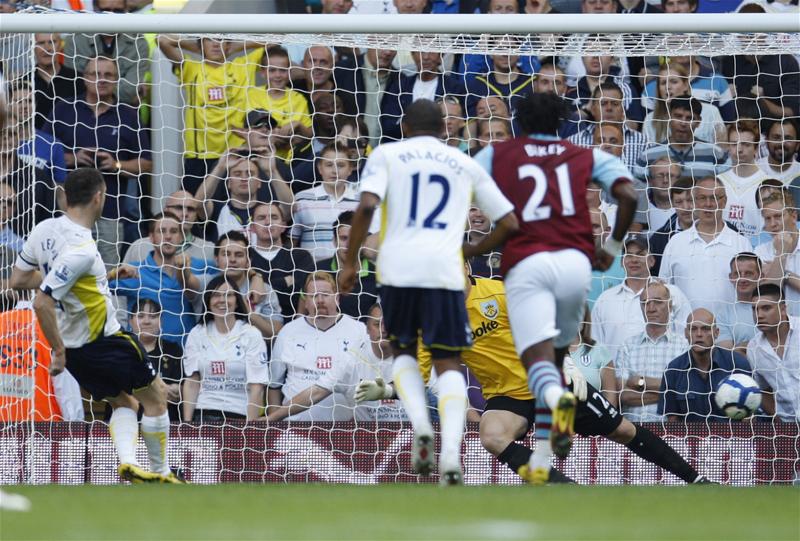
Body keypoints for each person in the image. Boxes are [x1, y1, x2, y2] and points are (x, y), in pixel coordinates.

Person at [357, 272, 711, 485]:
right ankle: (565, 489)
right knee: (492, 435)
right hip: (508, 396)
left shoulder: (499, 292)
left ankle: (695, 480)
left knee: (622, 431)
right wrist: (388, 388)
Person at [339, 99, 518, 485]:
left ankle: (421, 423)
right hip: (444, 270)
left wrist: (350, 261)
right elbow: (508, 221)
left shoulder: (387, 154)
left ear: (404, 127)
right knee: (448, 362)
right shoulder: (465, 163)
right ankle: (451, 453)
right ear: (445, 130)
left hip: (399, 266)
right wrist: (471, 250)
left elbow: (367, 205)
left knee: (404, 351)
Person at [473, 91, 637, 480]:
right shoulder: (585, 155)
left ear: (519, 124)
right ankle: (553, 425)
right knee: (558, 354)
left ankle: (555, 414)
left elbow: (466, 190)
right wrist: (612, 244)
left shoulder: (498, 155)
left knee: (534, 357)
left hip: (528, 264)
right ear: (561, 124)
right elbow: (629, 194)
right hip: (573, 264)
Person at [9, 168, 181, 483]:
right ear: (99, 197)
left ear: (65, 195)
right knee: (156, 399)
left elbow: (19, 279)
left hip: (78, 351)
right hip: (104, 341)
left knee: (123, 401)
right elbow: (41, 301)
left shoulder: (44, 229)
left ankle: (128, 462)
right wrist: (57, 350)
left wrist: (110, 275)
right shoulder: (83, 250)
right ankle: (163, 473)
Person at [44, 56, 152, 267]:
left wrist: (116, 165)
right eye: (95, 74)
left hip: (110, 211)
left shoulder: (128, 115)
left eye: (108, 75)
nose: (101, 80)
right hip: (68, 210)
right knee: (65, 267)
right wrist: (73, 158)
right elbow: (42, 153)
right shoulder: (64, 109)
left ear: (116, 80)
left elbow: (147, 163)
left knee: (107, 271)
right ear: (84, 79)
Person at [157, 35, 264, 192]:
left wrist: (235, 47)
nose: (215, 44)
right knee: (191, 209)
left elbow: (274, 41)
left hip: (235, 153)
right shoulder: (191, 68)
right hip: (199, 155)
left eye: (220, 40)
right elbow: (162, 40)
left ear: (228, 44)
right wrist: (197, 48)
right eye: (209, 40)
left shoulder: (242, 67)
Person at [267, 272, 367, 422]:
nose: (320, 300)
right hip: (295, 427)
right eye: (313, 296)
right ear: (305, 301)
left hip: (344, 429)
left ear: (337, 298)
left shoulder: (359, 330)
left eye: (325, 294)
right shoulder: (288, 332)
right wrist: (275, 426)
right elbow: (274, 385)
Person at [109, 212, 206, 344]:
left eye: (173, 231)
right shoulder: (134, 271)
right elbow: (94, 287)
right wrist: (113, 275)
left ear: (181, 237)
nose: (168, 237)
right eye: (162, 231)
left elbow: (227, 275)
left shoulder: (197, 266)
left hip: (186, 355)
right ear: (151, 238)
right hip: (144, 355)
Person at [182, 275, 269, 423]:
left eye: (228, 295)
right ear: (208, 302)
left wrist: (249, 428)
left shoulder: (251, 334)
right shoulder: (197, 333)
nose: (222, 300)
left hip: (239, 415)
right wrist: (187, 424)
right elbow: (192, 382)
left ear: (237, 302)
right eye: (216, 295)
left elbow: (257, 387)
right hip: (203, 413)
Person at [659, 176, 751, 312]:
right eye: (702, 198)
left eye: (714, 197)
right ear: (695, 202)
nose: (708, 204)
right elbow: (664, 289)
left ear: (724, 201)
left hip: (729, 330)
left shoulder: (741, 243)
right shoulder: (675, 243)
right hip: (684, 330)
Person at [592, 235, 692, 358]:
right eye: (628, 255)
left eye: (640, 254)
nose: (634, 259)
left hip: (663, 374)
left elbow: (687, 338)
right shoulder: (605, 300)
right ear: (622, 262)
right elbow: (595, 346)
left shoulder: (674, 294)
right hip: (618, 375)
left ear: (652, 261)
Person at [660, 309, 752, 423]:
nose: (699, 334)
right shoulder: (673, 370)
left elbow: (748, 417)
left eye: (705, 329)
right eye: (693, 329)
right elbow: (672, 419)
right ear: (686, 333)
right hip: (690, 439)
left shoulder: (737, 364)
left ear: (717, 333)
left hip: (732, 438)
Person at [615, 281, 689, 422]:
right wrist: (669, 393)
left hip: (671, 431)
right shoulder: (627, 346)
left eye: (657, 302)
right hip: (633, 431)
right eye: (645, 303)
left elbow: (686, 392)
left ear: (669, 305)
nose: (651, 308)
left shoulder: (684, 346)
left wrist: (640, 382)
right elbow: (622, 395)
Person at [63, 0, 149, 106]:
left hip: (125, 113)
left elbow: (130, 91)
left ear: (126, 11)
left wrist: (94, 87)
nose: (111, 16)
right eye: (105, 11)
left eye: (118, 11)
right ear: (95, 10)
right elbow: (74, 86)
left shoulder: (138, 43)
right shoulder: (75, 40)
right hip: (82, 111)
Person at [199, 231, 283, 339]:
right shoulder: (205, 284)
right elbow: (188, 281)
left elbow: (276, 333)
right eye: (226, 254)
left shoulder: (264, 289)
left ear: (248, 261)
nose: (232, 259)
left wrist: (248, 312)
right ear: (216, 259)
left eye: (239, 255)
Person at [291, 144, 365, 261]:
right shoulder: (302, 199)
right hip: (314, 274)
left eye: (341, 165)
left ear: (350, 169)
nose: (335, 171)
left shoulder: (362, 201)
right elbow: (292, 241)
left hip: (349, 273)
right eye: (329, 165)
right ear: (320, 168)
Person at [633, 95, 731, 181]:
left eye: (689, 118)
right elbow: (641, 192)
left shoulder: (715, 153)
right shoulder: (648, 156)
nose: (683, 123)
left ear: (698, 122)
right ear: (668, 117)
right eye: (678, 116)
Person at [248, 202, 316, 319]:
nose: (268, 222)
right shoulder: (244, 256)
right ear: (252, 227)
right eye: (261, 218)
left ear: (284, 226)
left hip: (294, 325)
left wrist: (260, 284)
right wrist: (285, 281)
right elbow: (246, 293)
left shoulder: (301, 256)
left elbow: (301, 294)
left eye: (274, 217)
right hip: (253, 327)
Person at [380, 51, 466, 142]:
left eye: (431, 52)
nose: (425, 57)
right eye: (421, 52)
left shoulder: (454, 88)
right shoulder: (399, 87)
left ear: (441, 56)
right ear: (413, 55)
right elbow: (388, 125)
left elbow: (460, 125)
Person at [747, 283, 799, 420]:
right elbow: (762, 390)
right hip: (788, 428)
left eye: (766, 308)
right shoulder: (753, 348)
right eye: (754, 309)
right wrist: (779, 420)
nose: (759, 315)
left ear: (783, 309)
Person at [568, 82, 647, 172]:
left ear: (623, 110)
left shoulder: (642, 142)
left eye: (615, 104)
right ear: (593, 110)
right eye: (603, 103)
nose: (609, 108)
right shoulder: (573, 143)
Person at [129, 298, 184, 422]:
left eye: (153, 316)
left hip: (165, 422)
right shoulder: (122, 349)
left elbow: (178, 391)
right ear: (131, 321)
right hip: (127, 422)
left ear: (160, 321)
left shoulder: (173, 350)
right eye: (141, 316)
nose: (147, 321)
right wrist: (159, 391)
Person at [316, 211, 378, 319]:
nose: (349, 245)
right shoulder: (317, 270)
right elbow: (302, 314)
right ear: (334, 241)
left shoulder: (376, 274)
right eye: (344, 238)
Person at [124, 190, 215, 264]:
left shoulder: (209, 249)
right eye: (179, 208)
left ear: (196, 215)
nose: (185, 214)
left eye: (190, 209)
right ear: (166, 210)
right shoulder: (140, 246)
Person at [719, 121, 770, 242]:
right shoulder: (718, 182)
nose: (739, 149)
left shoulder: (768, 184)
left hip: (755, 255)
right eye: (734, 144)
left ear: (756, 148)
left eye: (746, 144)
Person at [756, 191, 800, 316]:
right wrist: (781, 253)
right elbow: (768, 296)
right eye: (767, 219)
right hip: (779, 330)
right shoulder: (760, 252)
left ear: (793, 216)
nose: (773, 224)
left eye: (778, 216)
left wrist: (785, 275)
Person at [31, 33, 85, 130]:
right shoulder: (23, 82)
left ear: (60, 45)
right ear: (33, 47)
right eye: (41, 43)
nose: (47, 48)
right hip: (35, 142)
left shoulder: (78, 80)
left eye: (52, 42)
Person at [717, 252, 761, 354]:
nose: (742, 279)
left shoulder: (773, 307)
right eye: (737, 274)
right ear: (731, 277)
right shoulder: (723, 315)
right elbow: (728, 356)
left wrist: (743, 346)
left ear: (760, 276)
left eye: (748, 273)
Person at [758, 119, 800, 187]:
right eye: (776, 138)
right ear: (766, 141)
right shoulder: (754, 169)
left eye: (788, 138)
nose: (782, 143)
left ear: (797, 145)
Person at [645, 158, 683, 232]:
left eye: (671, 176)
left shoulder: (688, 209)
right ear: (650, 181)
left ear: (679, 180)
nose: (665, 180)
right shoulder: (640, 208)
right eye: (660, 176)